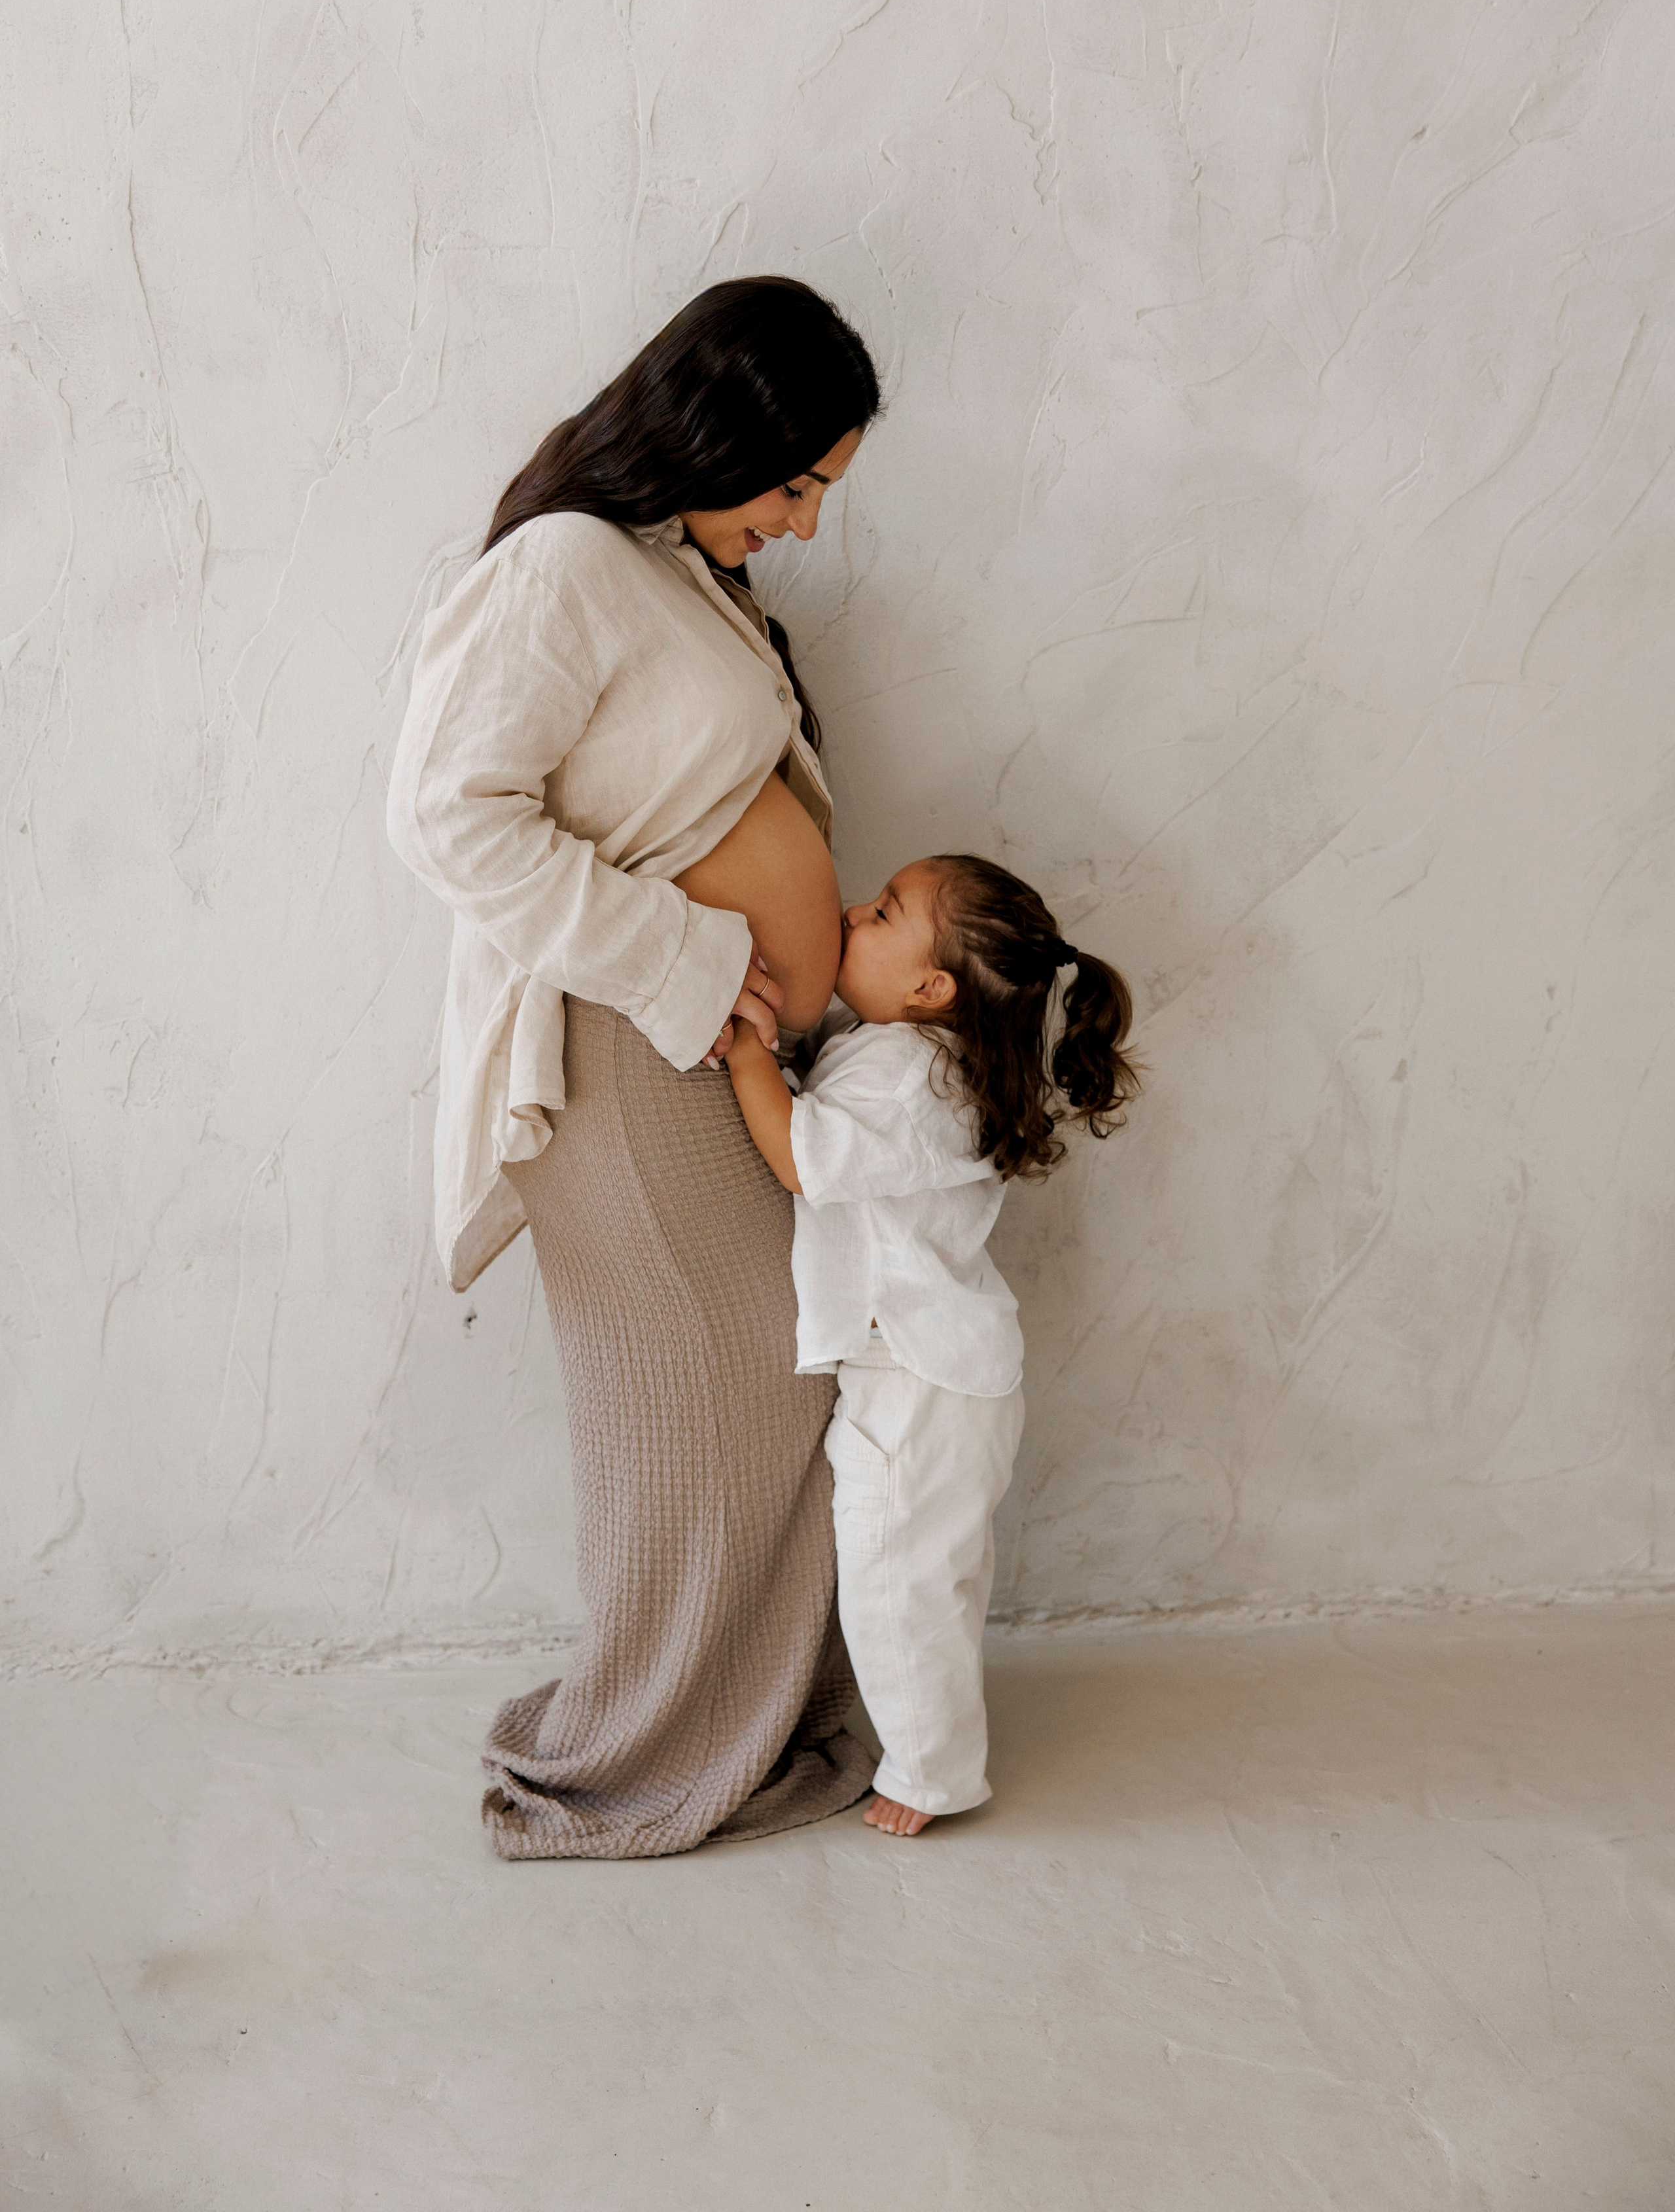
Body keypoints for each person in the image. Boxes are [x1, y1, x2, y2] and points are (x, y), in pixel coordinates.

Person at [387, 276, 884, 1859]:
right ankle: (634, 1760)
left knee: (763, 1380)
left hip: (700, 1050)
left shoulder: (676, 570)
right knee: (721, 1389)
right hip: (617, 1049)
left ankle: (734, 1726)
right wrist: (688, 964)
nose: (803, 521)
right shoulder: (561, 567)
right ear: (716, 430)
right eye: (794, 480)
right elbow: (449, 815)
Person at [721, 853, 1140, 1836]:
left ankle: (933, 1773)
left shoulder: (915, 1077)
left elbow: (802, 1156)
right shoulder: (900, 1054)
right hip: (934, 1375)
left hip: (921, 1383)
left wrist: (746, 1056)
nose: (853, 914)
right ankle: (930, 1744)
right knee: (925, 1575)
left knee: (899, 1582)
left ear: (930, 987)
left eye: (882, 913)